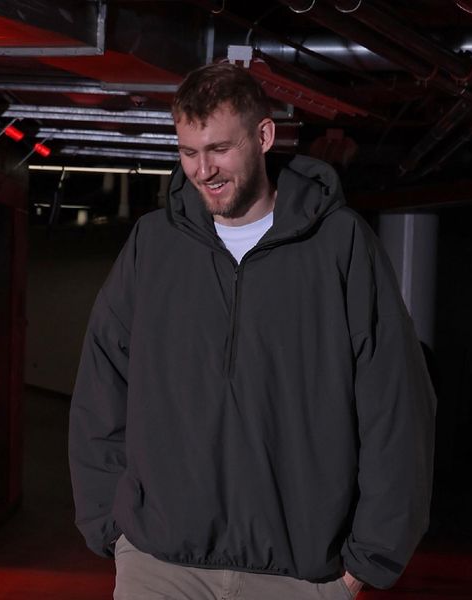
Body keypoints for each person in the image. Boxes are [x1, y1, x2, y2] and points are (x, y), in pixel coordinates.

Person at [69, 62, 436, 599]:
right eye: (189, 152)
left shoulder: (339, 245)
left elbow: (396, 403)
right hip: (161, 565)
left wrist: (370, 556)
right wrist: (112, 524)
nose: (203, 171)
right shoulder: (155, 246)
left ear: (263, 136)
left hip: (297, 573)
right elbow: (102, 383)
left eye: (219, 149)